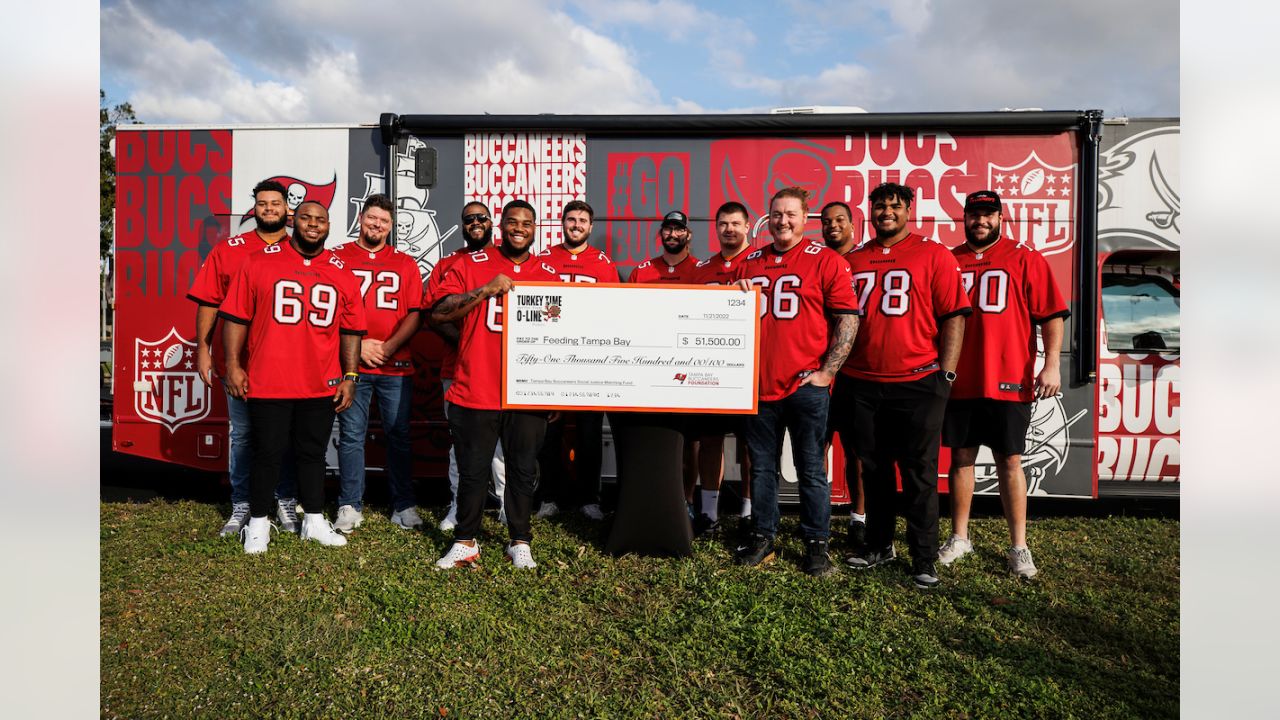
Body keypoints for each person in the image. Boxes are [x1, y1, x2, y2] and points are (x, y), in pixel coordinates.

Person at [841, 182, 972, 589]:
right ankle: (880, 544)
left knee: (920, 473)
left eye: (894, 207)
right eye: (879, 207)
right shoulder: (854, 258)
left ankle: (924, 556)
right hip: (862, 382)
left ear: (908, 210)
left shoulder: (933, 254)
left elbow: (954, 315)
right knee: (874, 470)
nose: (886, 213)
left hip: (918, 381)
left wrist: (946, 376)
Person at [219, 201, 367, 554]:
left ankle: (314, 520)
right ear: (292, 221)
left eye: (320, 220)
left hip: (320, 380)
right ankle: (257, 524)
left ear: (329, 225)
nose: (313, 225)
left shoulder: (340, 270)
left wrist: (350, 375)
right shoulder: (258, 262)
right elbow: (237, 318)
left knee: (312, 453)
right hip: (269, 378)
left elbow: (351, 329)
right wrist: (233, 364)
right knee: (266, 452)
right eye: (306, 218)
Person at [938, 190, 1069, 579]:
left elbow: (1051, 316)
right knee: (960, 458)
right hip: (959, 377)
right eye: (974, 214)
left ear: (1000, 217)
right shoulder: (949, 259)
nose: (981, 220)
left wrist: (1051, 365)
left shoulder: (1025, 257)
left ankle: (1019, 546)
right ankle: (960, 537)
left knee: (1010, 460)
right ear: (964, 218)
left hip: (1009, 377)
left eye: (988, 214)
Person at [732, 187, 860, 576]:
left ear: (806, 218)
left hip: (806, 386)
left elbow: (848, 318)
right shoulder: (749, 261)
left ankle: (816, 543)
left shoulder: (826, 261)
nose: (782, 221)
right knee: (762, 469)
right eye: (776, 214)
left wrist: (827, 372)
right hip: (761, 385)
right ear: (767, 218)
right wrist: (732, 299)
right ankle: (764, 536)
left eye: (790, 214)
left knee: (811, 470)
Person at [429, 200, 561, 570]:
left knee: (522, 469)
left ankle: (519, 541)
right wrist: (485, 290)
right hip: (477, 385)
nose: (519, 228)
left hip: (526, 390)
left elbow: (561, 337)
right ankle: (465, 541)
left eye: (527, 223)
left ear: (536, 229)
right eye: (512, 222)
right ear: (500, 226)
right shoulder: (471, 264)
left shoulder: (547, 271)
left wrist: (554, 389)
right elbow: (438, 311)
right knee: (473, 469)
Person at [188, 179, 298, 536]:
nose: (269, 209)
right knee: (244, 435)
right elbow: (209, 301)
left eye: (275, 203)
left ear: (287, 209)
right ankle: (243, 504)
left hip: (284, 364)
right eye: (263, 204)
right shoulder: (230, 249)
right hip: (238, 362)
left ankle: (284, 499)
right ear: (255, 208)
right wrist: (203, 349)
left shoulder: (302, 249)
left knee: (285, 435)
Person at [331, 194, 424, 533]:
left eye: (384, 221)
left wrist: (387, 347)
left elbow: (415, 314)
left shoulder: (404, 262)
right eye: (372, 218)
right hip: (352, 366)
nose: (377, 225)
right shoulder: (337, 258)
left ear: (391, 225)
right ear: (360, 218)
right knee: (352, 435)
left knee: (398, 435)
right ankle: (349, 505)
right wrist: (359, 346)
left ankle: (403, 504)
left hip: (394, 366)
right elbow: (327, 307)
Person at [533, 200, 619, 522]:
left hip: (588, 360)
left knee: (588, 432)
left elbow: (613, 312)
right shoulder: (544, 259)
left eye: (583, 220)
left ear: (590, 226)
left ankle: (589, 498)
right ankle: (549, 497)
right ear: (562, 222)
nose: (577, 225)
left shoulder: (603, 263)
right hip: (552, 358)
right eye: (572, 219)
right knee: (549, 432)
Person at [425, 202, 509, 531]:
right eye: (468, 219)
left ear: (492, 223)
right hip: (457, 368)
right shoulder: (449, 264)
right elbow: (436, 315)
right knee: (460, 443)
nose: (475, 223)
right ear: (462, 225)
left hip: (501, 368)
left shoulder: (507, 259)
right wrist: (468, 344)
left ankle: (505, 504)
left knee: (503, 445)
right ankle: (457, 505)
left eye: (481, 218)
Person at [626, 210, 704, 519]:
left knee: (690, 442)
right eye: (668, 229)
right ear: (661, 233)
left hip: (687, 367)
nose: (673, 234)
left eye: (679, 229)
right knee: (650, 437)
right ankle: (647, 500)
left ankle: (686, 500)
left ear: (688, 234)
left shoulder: (701, 270)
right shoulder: (642, 271)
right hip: (650, 368)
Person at [687, 201, 756, 536]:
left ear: (748, 226)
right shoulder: (702, 268)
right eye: (723, 224)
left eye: (735, 224)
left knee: (750, 446)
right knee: (711, 440)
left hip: (750, 370)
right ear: (715, 228)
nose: (730, 229)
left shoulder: (760, 262)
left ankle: (747, 513)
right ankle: (709, 514)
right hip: (713, 370)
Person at [818, 200, 868, 549]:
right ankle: (817, 518)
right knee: (814, 449)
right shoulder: (815, 261)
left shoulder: (864, 261)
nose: (832, 225)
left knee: (857, 451)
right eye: (826, 221)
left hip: (854, 374)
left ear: (852, 224)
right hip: (816, 372)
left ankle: (859, 519)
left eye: (839, 220)